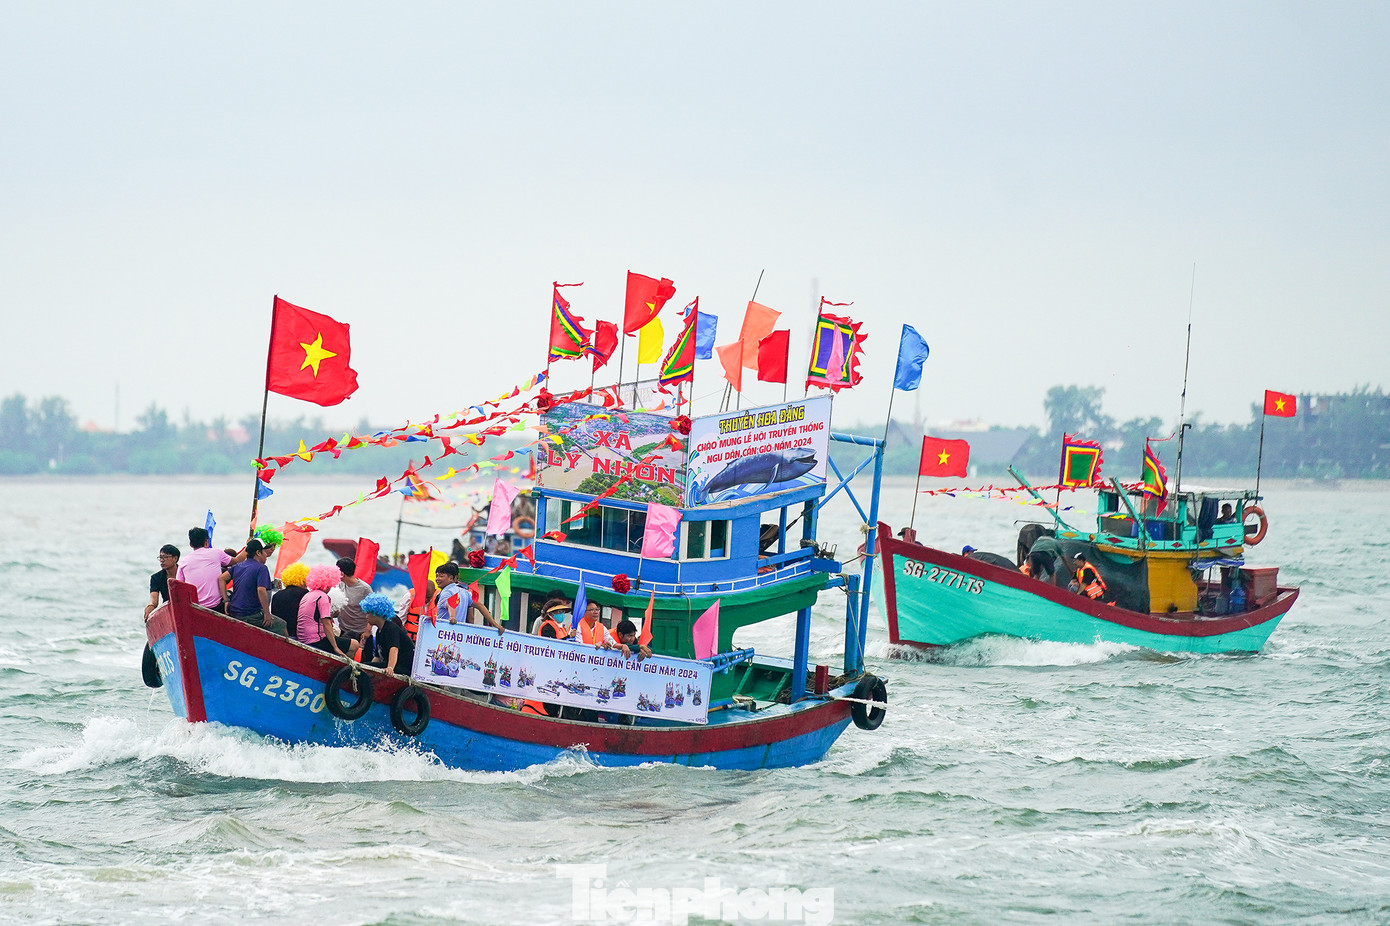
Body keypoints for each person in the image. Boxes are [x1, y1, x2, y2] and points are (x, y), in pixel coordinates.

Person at [221, 539, 288, 635]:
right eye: (264, 552)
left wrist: (226, 600)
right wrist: (267, 613)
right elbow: (261, 590)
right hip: (249, 614)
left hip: (233, 611)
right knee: (281, 625)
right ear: (258, 553)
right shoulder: (261, 568)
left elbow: (221, 579)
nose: (266, 555)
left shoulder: (238, 566)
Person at [177, 526, 246, 611]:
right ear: (207, 542)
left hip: (194, 606)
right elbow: (237, 560)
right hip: (216, 605)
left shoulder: (183, 562)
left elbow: (179, 586)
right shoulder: (216, 553)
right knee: (232, 590)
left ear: (191, 544)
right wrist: (248, 547)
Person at [298, 563, 359, 658]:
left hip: (302, 637)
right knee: (354, 644)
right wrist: (336, 647)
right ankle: (342, 666)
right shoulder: (323, 597)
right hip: (315, 639)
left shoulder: (308, 595)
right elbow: (326, 624)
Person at [434, 562, 504, 632]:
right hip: (459, 633)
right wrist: (495, 625)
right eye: (437, 576)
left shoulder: (447, 592)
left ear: (451, 578)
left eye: (441, 576)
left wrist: (452, 617)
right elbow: (480, 606)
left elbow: (451, 605)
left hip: (443, 632)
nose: (437, 579)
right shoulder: (465, 592)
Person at [363, 593, 414, 675]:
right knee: (364, 666)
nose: (366, 616)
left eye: (368, 613)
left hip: (402, 667)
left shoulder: (390, 628)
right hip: (388, 663)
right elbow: (377, 656)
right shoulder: (379, 631)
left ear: (377, 613)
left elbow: (394, 649)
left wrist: (390, 668)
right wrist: (369, 668)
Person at [335, 557, 373, 660]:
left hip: (359, 633)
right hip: (343, 629)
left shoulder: (365, 589)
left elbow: (373, 611)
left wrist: (367, 632)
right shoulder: (340, 584)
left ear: (342, 574)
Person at [271, 562, 311, 641]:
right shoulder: (305, 594)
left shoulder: (277, 595)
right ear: (303, 580)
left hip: (280, 632)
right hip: (298, 634)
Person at [144, 544, 180, 620]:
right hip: (168, 612)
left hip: (185, 608)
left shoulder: (185, 573)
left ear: (175, 558)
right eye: (160, 557)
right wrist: (148, 610)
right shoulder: (156, 578)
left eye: (165, 557)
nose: (162, 560)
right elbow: (153, 602)